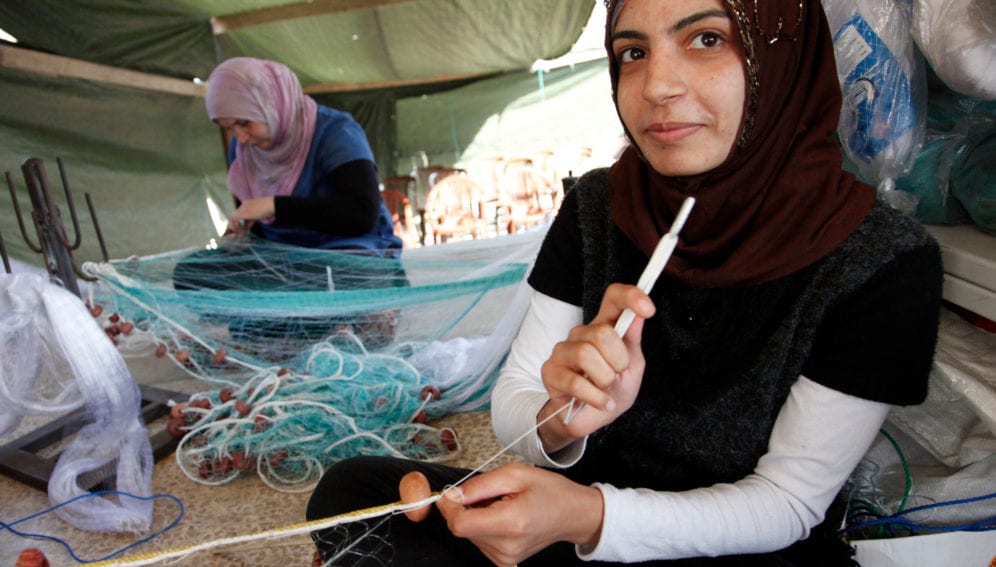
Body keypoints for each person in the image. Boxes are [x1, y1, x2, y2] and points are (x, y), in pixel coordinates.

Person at [305, 0, 943, 564]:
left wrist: (591, 518)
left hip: (739, 546)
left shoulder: (881, 260)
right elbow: (518, 399)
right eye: (632, 52)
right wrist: (558, 422)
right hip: (579, 508)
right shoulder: (598, 207)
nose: (656, 85)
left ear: (782, 56)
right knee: (354, 492)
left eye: (708, 39)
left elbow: (788, 502)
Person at [172, 57, 405, 348]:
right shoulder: (245, 152)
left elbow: (361, 214)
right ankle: (315, 322)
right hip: (282, 261)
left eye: (245, 123)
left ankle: (284, 322)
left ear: (270, 103)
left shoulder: (335, 132)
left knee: (340, 282)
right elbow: (259, 226)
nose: (241, 137)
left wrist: (276, 205)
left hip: (344, 255)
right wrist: (243, 235)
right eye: (230, 128)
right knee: (192, 273)